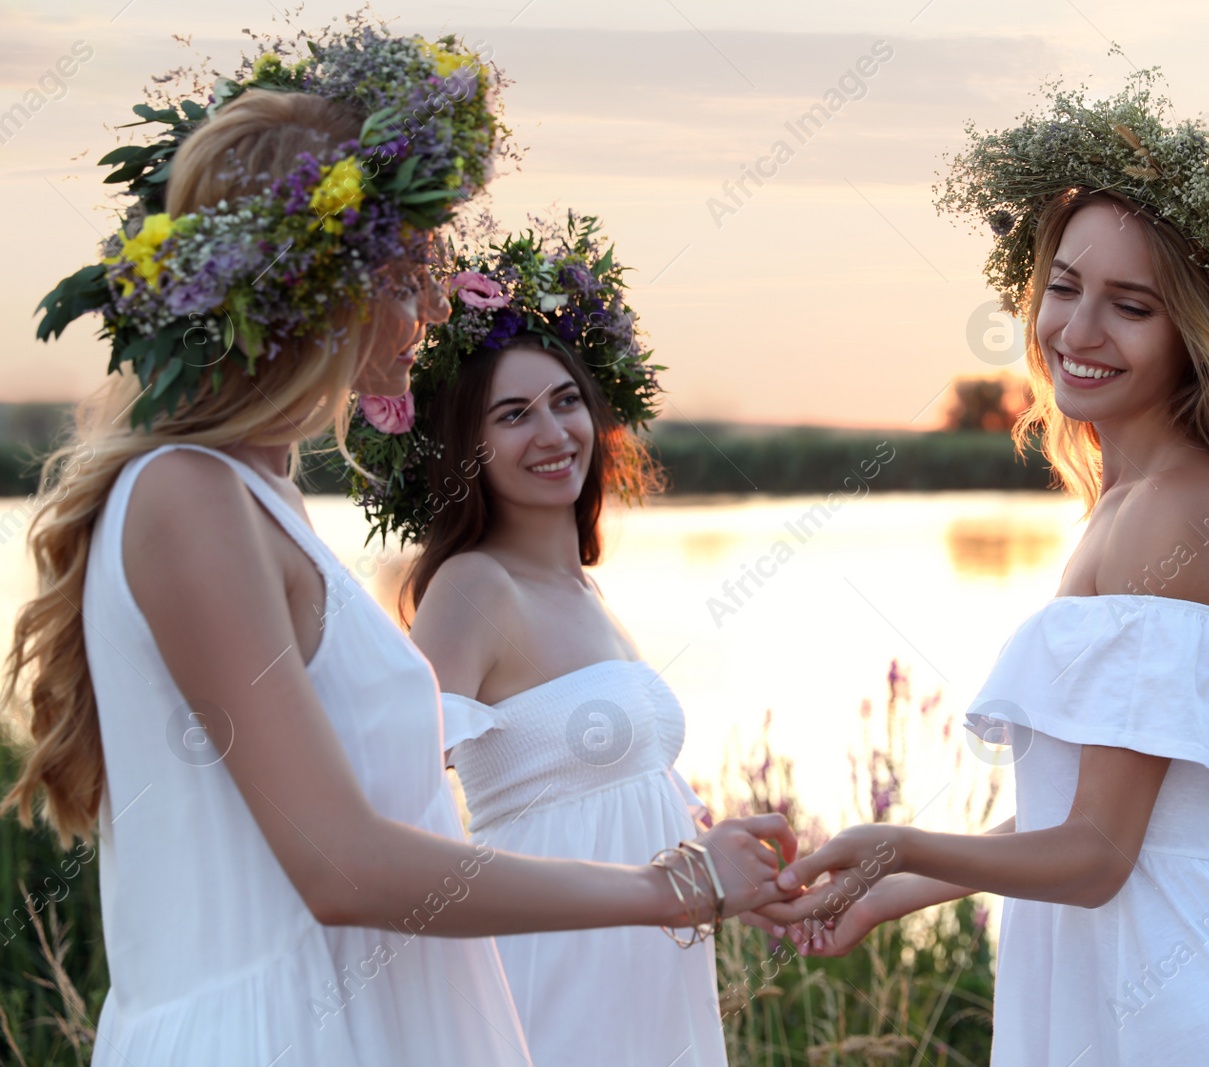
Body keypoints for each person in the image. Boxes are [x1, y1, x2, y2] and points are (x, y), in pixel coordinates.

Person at [7, 27, 794, 1067]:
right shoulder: (183, 496)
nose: (429, 307)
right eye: (409, 269)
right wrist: (671, 886)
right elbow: (342, 866)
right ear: (320, 282)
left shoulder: (262, 495)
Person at [763, 69, 1209, 1065]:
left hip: (1170, 1014)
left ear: (1194, 334)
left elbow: (1097, 856)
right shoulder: (1129, 503)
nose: (1077, 331)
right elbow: (1069, 807)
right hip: (1115, 988)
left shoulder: (1172, 511)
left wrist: (902, 841)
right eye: (1062, 286)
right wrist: (889, 893)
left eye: (1129, 305)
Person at [345, 217, 735, 1065]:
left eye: (565, 402)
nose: (553, 433)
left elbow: (626, 793)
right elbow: (384, 798)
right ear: (467, 450)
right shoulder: (474, 588)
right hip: (555, 971)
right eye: (514, 415)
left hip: (651, 969)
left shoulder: (583, 591)